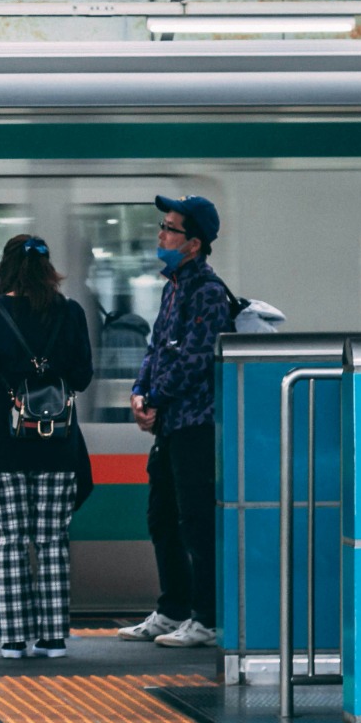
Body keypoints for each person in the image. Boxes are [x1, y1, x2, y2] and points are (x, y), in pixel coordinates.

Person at [0, 236, 95, 659]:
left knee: (10, 539)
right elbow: (82, 376)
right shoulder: (70, 312)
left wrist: (9, 383)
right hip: (57, 443)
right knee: (53, 540)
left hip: (2, 443)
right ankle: (54, 639)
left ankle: (14, 639)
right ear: (46, 269)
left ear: (6, 269)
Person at [120, 195, 233, 650]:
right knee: (162, 517)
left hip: (196, 425)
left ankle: (205, 617)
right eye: (162, 226)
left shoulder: (207, 291)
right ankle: (172, 610)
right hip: (171, 425)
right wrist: (139, 394)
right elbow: (155, 350)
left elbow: (195, 360)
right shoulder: (173, 288)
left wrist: (155, 398)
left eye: (170, 229)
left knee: (196, 523)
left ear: (194, 243)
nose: (161, 236)